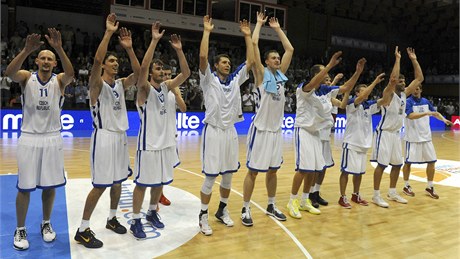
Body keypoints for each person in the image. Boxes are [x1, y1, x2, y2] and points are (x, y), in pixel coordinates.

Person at [5, 28, 74, 250]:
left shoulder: (60, 81)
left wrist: (59, 49)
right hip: (30, 137)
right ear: (37, 61)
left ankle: (46, 223)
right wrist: (25, 50)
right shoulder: (27, 77)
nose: (46, 61)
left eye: (50, 59)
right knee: (24, 188)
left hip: (52, 138)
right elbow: (9, 73)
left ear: (54, 64)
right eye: (42, 58)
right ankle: (20, 228)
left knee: (50, 186)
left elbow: (71, 74)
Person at [75, 14, 139, 248]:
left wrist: (130, 50)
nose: (115, 63)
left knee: (118, 181)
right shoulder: (97, 84)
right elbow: (95, 62)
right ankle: (82, 229)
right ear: (104, 65)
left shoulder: (121, 84)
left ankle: (112, 218)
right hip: (103, 137)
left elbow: (139, 75)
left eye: (116, 61)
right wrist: (109, 33)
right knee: (100, 185)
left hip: (120, 137)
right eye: (111, 61)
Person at [286, 52, 366, 219]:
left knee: (313, 170)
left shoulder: (326, 90)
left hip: (316, 133)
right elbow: (313, 84)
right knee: (303, 169)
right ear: (316, 75)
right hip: (304, 131)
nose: (327, 75)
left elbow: (345, 88)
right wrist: (329, 65)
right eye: (323, 72)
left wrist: (357, 72)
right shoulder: (303, 88)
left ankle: (305, 200)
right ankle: (292, 201)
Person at [130, 22, 190, 239]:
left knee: (160, 182)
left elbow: (186, 72)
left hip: (165, 145)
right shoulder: (144, 90)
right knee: (142, 184)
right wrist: (154, 41)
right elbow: (143, 69)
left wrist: (180, 50)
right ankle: (135, 220)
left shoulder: (168, 87)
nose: (160, 72)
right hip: (148, 146)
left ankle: (151, 211)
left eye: (162, 70)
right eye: (157, 69)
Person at [198, 16, 253, 235]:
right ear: (215, 66)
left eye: (229, 62)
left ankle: (222, 210)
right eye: (223, 62)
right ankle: (202, 215)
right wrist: (206, 31)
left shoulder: (235, 79)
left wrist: (248, 36)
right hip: (213, 131)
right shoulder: (209, 79)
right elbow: (202, 56)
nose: (228, 64)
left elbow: (250, 62)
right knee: (211, 177)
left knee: (228, 176)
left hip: (230, 131)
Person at [241, 12, 294, 226]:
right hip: (261, 130)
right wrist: (259, 25)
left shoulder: (281, 75)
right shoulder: (261, 74)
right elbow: (253, 44)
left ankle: (271, 205)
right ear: (266, 61)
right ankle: (245, 208)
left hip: (275, 131)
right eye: (274, 57)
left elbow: (290, 49)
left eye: (278, 58)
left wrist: (278, 29)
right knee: (253, 171)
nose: (278, 59)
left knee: (273, 170)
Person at [371, 47, 423, 208]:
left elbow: (419, 78)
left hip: (395, 134)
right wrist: (398, 59)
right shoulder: (389, 93)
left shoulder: (404, 94)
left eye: (404, 81)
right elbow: (392, 78)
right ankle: (376, 195)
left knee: (397, 164)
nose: (403, 83)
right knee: (381, 165)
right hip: (384, 133)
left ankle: (392, 192)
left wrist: (414, 59)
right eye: (401, 81)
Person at [338, 73, 395, 208]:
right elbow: (362, 97)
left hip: (363, 144)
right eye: (363, 91)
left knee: (359, 172)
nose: (366, 93)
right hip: (351, 143)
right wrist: (375, 81)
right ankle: (342, 197)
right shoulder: (352, 102)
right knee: (346, 171)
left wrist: (390, 85)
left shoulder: (369, 105)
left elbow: (385, 100)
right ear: (357, 93)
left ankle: (355, 194)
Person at [402, 84, 453, 199]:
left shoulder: (425, 101)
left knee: (432, 162)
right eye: (414, 89)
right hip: (412, 138)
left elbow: (435, 113)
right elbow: (410, 116)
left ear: (421, 90)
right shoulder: (408, 102)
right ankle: (406, 185)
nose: (416, 90)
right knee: (408, 163)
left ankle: (430, 186)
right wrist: (426, 113)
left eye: (417, 88)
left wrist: (444, 120)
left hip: (426, 137)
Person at [154, 64, 187, 207]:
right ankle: (154, 199)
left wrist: (176, 92)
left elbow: (184, 109)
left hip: (170, 134)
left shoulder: (174, 89)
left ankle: (159, 194)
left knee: (166, 168)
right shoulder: (153, 90)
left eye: (169, 75)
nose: (166, 77)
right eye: (164, 74)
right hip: (156, 135)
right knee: (156, 169)